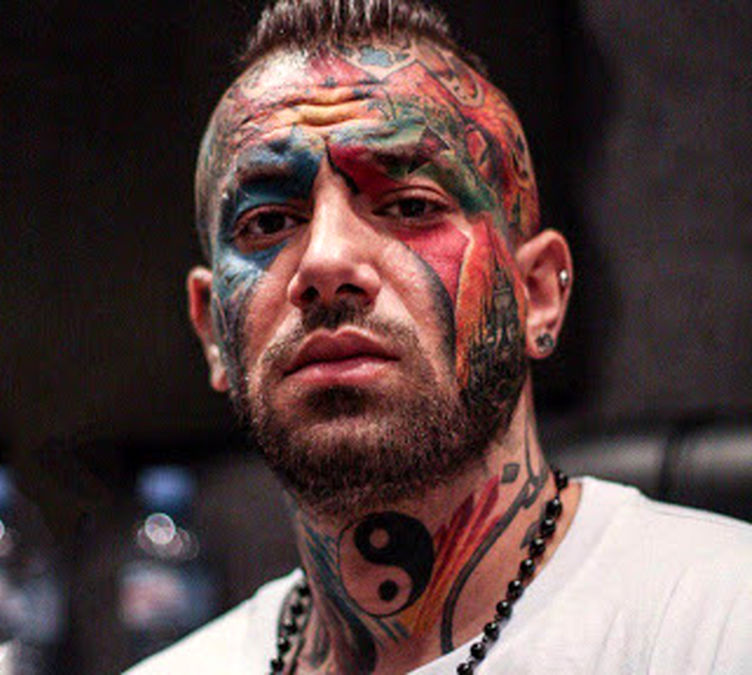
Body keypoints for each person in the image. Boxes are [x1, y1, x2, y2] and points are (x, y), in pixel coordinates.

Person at [126, 0, 752, 673]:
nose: (326, 262)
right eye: (269, 221)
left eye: (410, 206)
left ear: (538, 294)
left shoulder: (718, 622)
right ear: (211, 327)